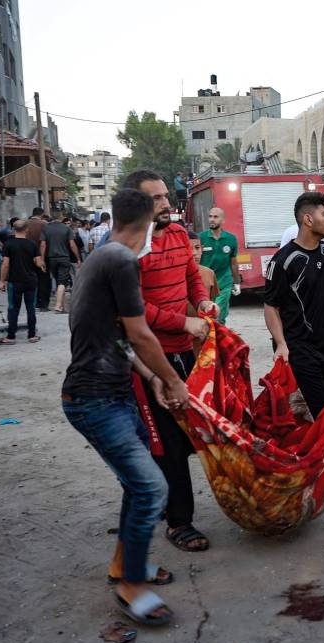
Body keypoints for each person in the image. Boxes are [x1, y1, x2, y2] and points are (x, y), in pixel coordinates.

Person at [62, 187, 189, 627]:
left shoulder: (104, 255)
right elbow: (139, 334)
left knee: (140, 486)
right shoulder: (120, 261)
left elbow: (114, 337)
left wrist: (151, 378)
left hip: (113, 391)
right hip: (94, 400)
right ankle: (131, 585)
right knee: (152, 488)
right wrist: (173, 380)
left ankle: (125, 566)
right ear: (149, 221)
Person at [126, 169, 215, 553]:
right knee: (167, 443)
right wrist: (184, 322)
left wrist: (202, 302)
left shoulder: (180, 235)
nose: (165, 203)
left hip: (184, 351)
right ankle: (179, 522)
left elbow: (192, 277)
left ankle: (164, 503)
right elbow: (134, 310)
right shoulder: (128, 249)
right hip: (148, 360)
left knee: (192, 433)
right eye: (156, 199)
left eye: (165, 196)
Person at [264, 192, 324, 418]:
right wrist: (281, 344)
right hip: (299, 350)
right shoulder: (283, 260)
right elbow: (271, 307)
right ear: (308, 220)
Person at [0, 219, 44, 344]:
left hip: (14, 281)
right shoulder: (32, 244)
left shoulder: (8, 244)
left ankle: (11, 337)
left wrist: (2, 281)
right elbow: (38, 262)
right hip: (31, 280)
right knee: (31, 308)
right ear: (27, 230)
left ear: (13, 230)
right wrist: (40, 264)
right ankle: (32, 335)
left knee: (13, 308)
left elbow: (5, 264)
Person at [198, 207, 240, 323]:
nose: (212, 219)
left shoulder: (231, 239)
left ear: (223, 220)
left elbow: (233, 263)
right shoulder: (201, 238)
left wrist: (237, 283)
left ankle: (219, 337)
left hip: (224, 283)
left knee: (219, 314)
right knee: (206, 314)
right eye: (210, 216)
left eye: (215, 217)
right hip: (205, 284)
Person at [41, 214, 80, 313]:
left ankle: (62, 307)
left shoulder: (46, 228)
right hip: (64, 258)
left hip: (51, 258)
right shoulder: (66, 229)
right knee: (62, 282)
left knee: (58, 281)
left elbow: (43, 245)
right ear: (61, 219)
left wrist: (42, 259)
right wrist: (78, 258)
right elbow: (72, 245)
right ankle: (58, 306)